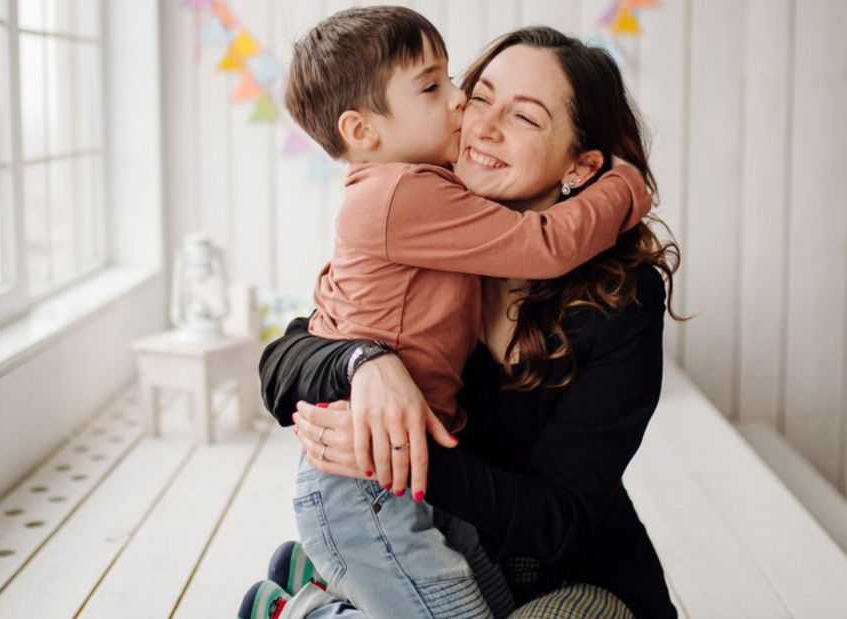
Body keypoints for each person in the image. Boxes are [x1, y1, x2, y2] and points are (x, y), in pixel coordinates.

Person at [237, 7, 652, 619]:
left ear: (580, 166)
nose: (472, 116)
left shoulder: (620, 297)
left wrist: (620, 184)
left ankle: (322, 592)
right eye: (474, 94)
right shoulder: (417, 204)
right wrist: (364, 363)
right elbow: (288, 358)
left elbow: (560, 515)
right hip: (386, 498)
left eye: (524, 116)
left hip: (560, 564)